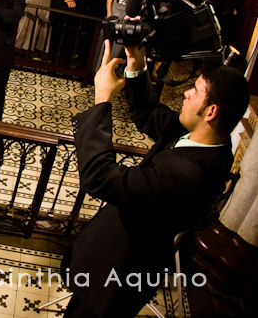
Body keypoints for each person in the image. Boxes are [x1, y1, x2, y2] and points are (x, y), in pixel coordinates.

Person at [63, 40, 249, 318]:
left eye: (195, 91)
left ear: (211, 112)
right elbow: (148, 113)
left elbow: (100, 177)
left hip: (118, 276)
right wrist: (136, 64)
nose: (185, 94)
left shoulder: (190, 175)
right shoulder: (204, 139)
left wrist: (102, 98)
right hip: (109, 254)